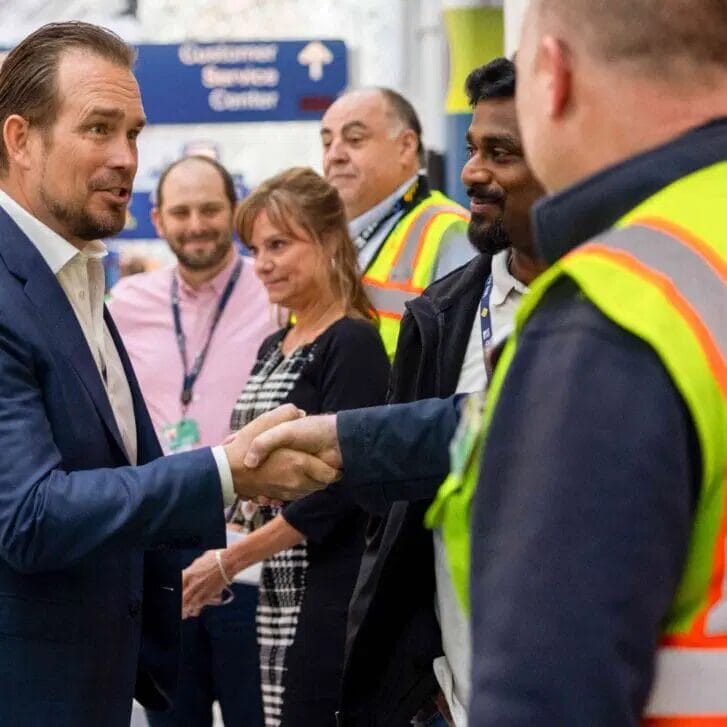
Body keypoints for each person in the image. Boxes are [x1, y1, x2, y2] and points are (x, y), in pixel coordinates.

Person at [246, 1, 727, 724]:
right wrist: (347, 438)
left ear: (551, 77)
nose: (474, 170)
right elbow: (500, 426)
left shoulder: (617, 305)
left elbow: (551, 683)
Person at [0, 21, 336, 727]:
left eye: (133, 132)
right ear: (20, 139)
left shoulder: (75, 276)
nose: (126, 158)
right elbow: (27, 515)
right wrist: (225, 473)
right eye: (98, 128)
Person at [339, 58, 546, 727]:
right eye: (472, 149)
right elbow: (399, 515)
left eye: (501, 153)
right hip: (443, 697)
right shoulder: (444, 314)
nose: (471, 174)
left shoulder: (620, 306)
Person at [182, 167, 390, 726]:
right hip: (272, 586)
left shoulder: (352, 341)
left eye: (279, 244)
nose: (264, 263)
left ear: (327, 243)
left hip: (325, 590)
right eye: (256, 248)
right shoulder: (276, 344)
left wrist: (228, 562)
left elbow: (339, 494)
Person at [109, 155, 275, 727]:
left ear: (234, 211)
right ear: (157, 218)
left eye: (210, 209)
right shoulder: (124, 307)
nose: (196, 223)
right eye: (181, 211)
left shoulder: (275, 293)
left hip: (254, 556)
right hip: (163, 558)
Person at [321, 87, 475, 358]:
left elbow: (462, 360)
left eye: (355, 139)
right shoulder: (324, 237)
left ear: (406, 147)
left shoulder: (449, 230)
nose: (334, 155)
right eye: (326, 142)